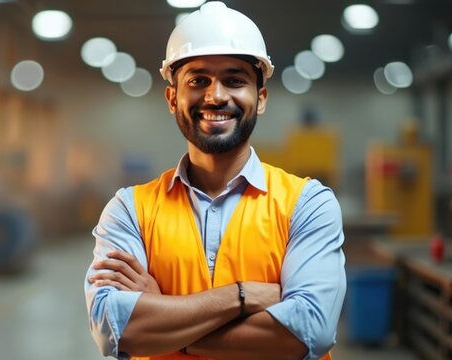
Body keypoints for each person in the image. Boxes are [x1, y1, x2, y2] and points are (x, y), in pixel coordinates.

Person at [83, 3, 345, 359]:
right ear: (173, 98)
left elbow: (310, 331)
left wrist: (168, 321)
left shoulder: (307, 204)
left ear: (261, 98)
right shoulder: (129, 211)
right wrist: (243, 295)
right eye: (198, 80)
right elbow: (115, 332)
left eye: (235, 80)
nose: (216, 95)